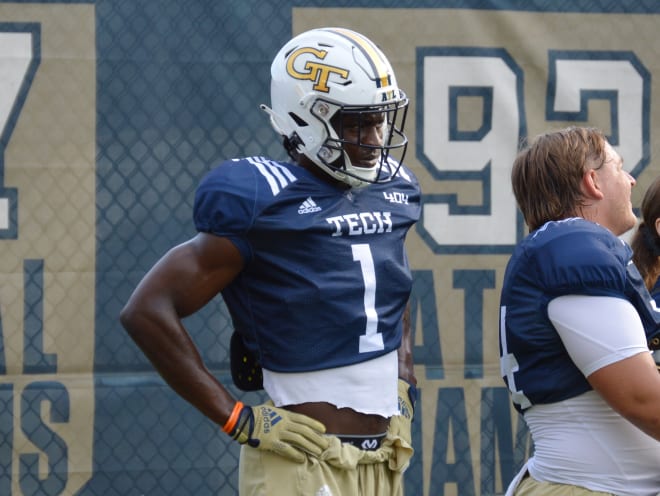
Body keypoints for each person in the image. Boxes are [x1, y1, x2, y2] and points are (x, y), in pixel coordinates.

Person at [120, 27, 420, 496]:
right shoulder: (264, 200)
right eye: (357, 124)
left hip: (382, 460)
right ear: (305, 121)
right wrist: (236, 418)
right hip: (301, 462)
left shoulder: (392, 189)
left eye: (379, 121)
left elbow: (391, 288)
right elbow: (146, 310)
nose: (374, 138)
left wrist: (402, 380)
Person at [499, 126, 660, 495]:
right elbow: (643, 399)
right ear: (592, 181)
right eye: (619, 168)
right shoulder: (573, 248)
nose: (632, 180)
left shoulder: (568, 251)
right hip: (588, 486)